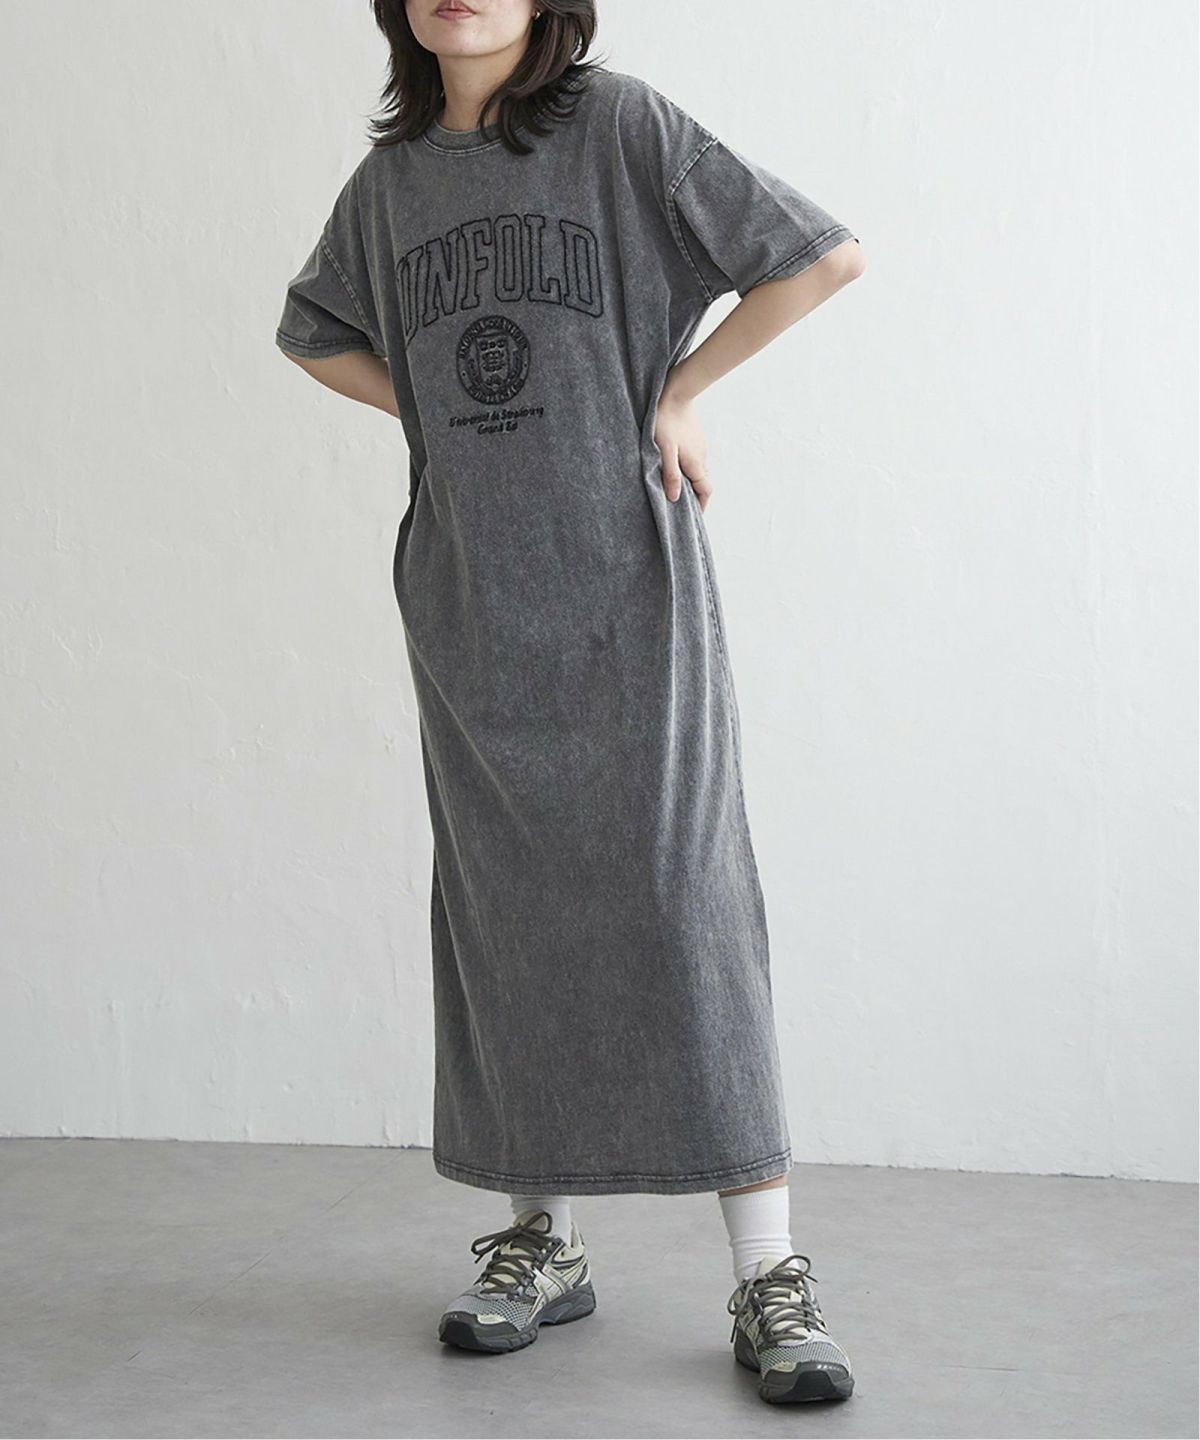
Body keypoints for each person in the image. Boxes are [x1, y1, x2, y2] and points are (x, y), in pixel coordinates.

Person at [274, 0, 864, 1407]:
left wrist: (678, 390)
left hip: (627, 580)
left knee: (684, 900)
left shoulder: (620, 126)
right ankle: (543, 1238)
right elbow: (309, 332)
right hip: (470, 593)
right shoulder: (390, 185)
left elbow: (818, 256)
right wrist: (428, 409)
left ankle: (769, 1271)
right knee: (508, 903)